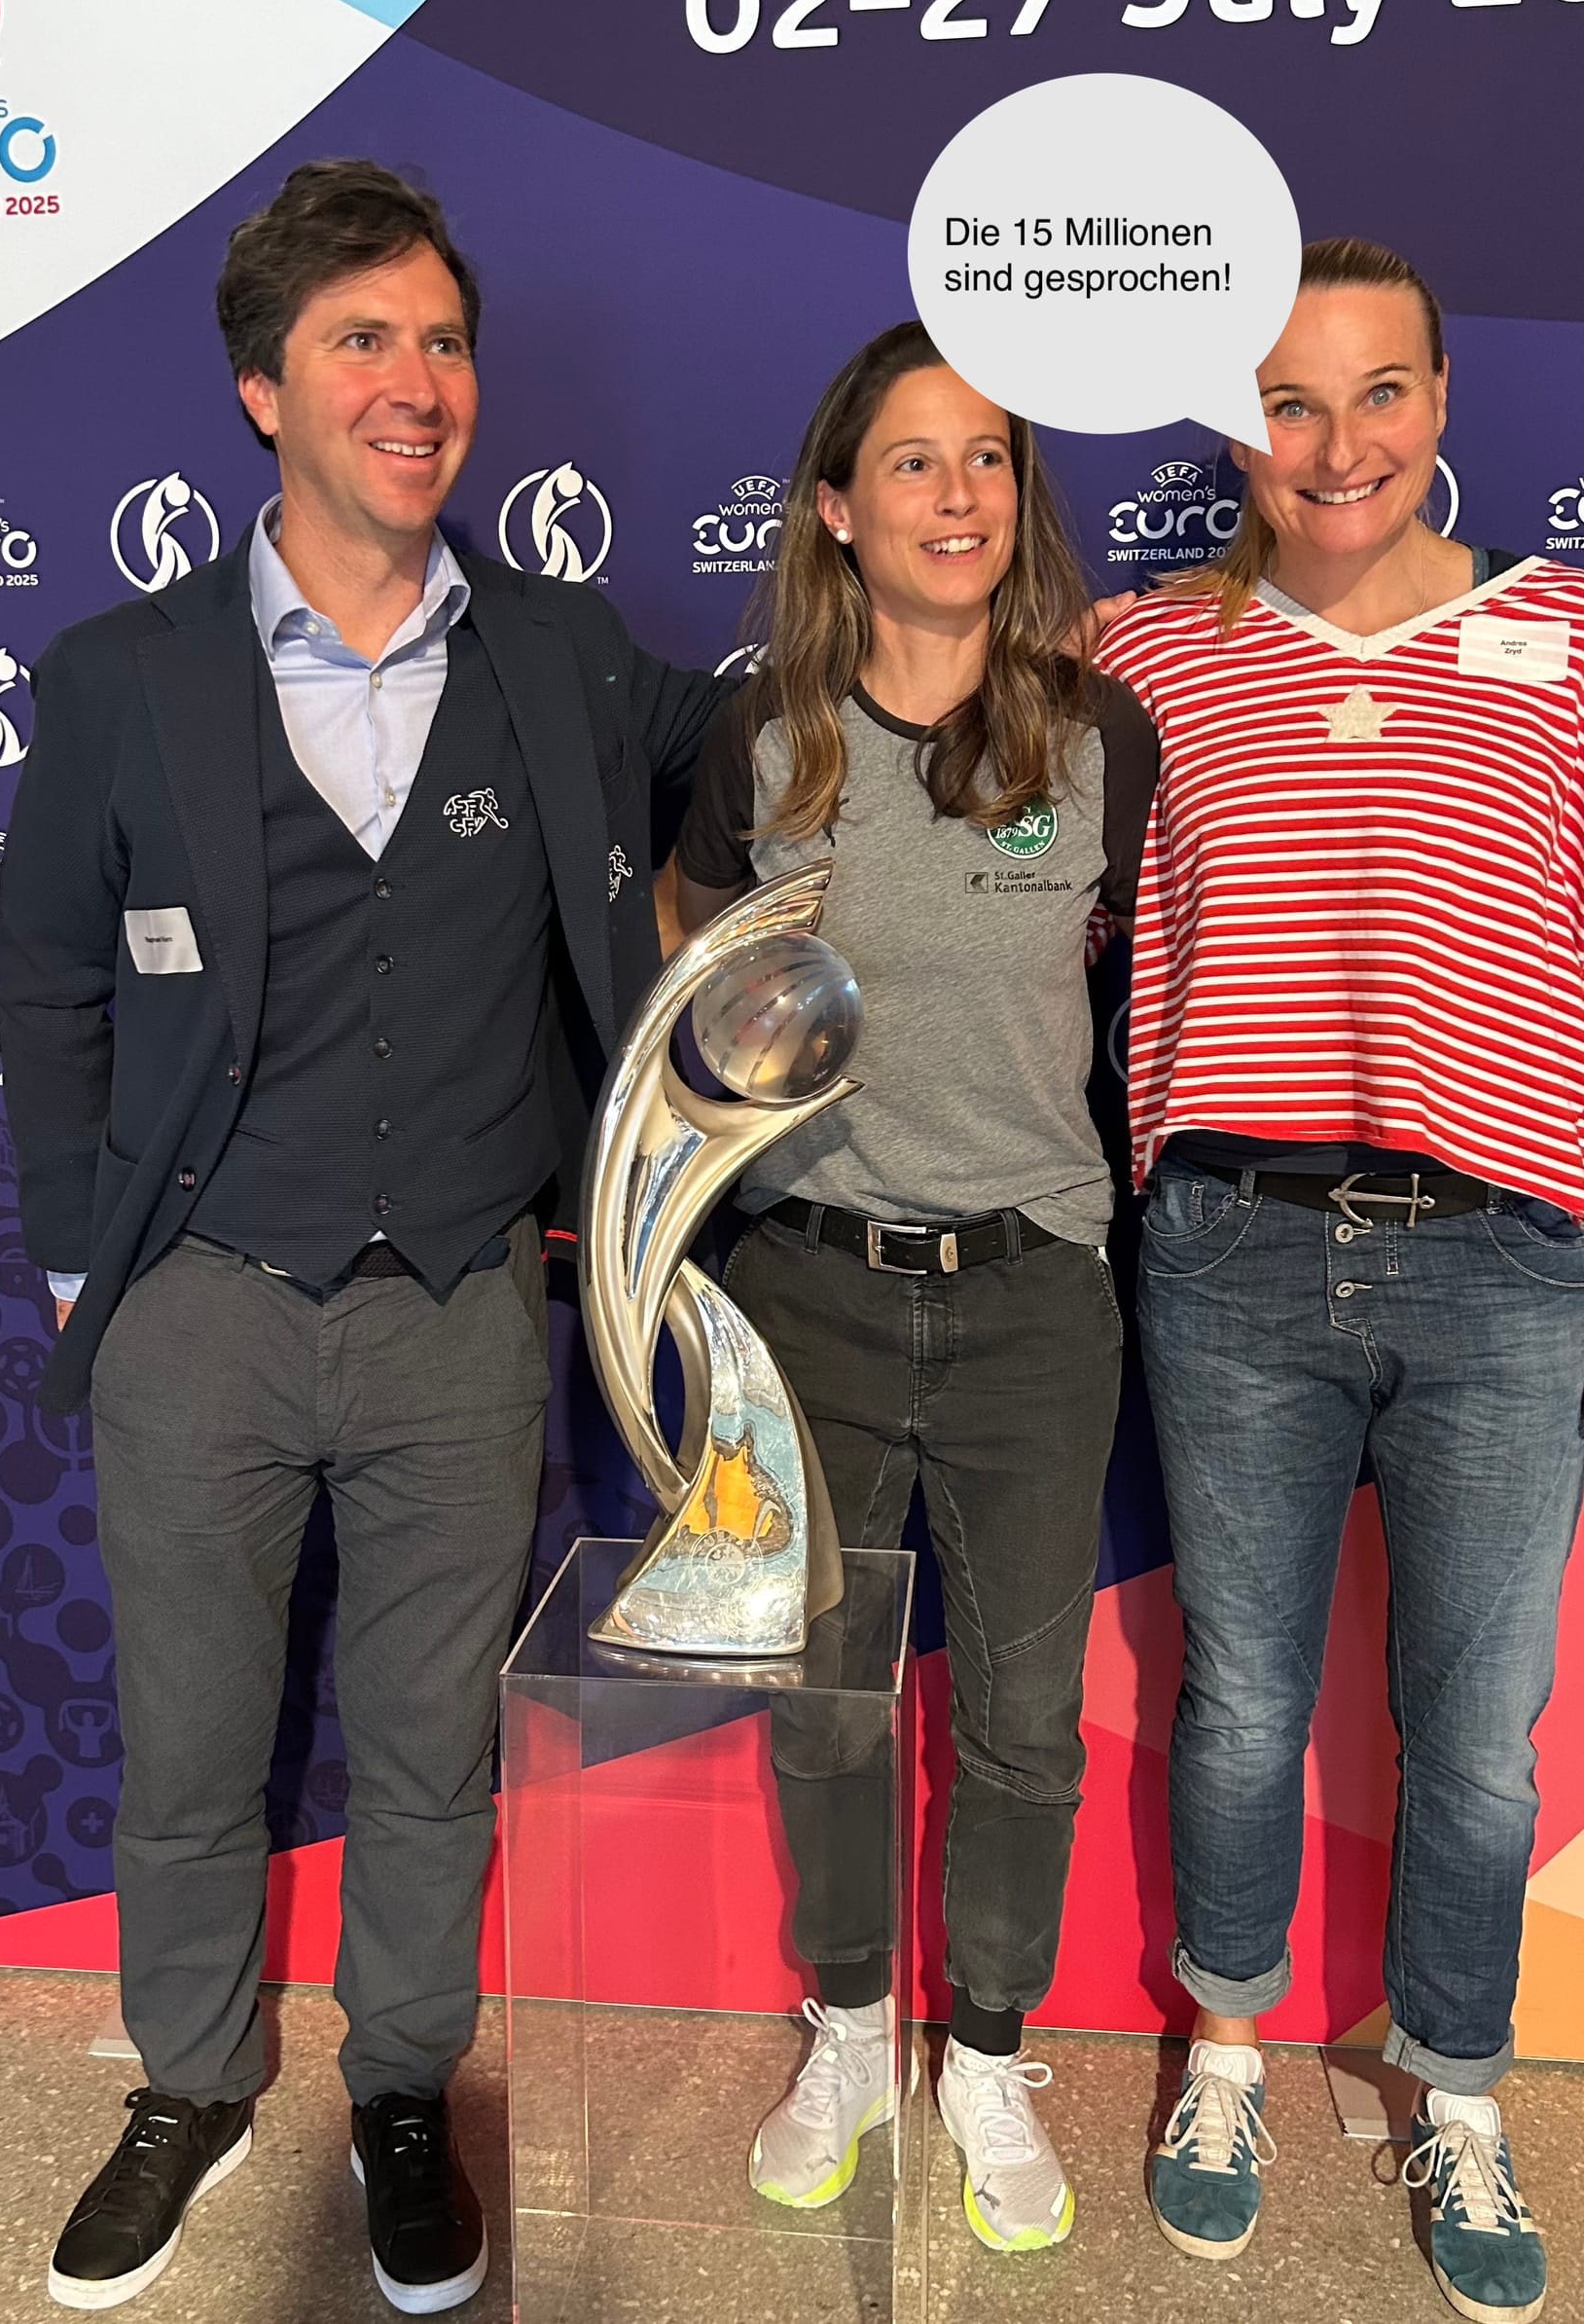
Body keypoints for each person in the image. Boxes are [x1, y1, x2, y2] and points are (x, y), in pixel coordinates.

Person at [0, 161, 721, 2314]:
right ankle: (192, 2080)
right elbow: (50, 977)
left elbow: (789, 738)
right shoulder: (118, 674)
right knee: (190, 1738)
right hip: (196, 1307)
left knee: (427, 1752)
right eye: (362, 341)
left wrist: (975, 607)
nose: (418, 383)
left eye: (443, 340)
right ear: (263, 389)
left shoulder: (565, 654)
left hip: (461, 1309)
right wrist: (82, 1267)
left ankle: (404, 2086)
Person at [1095, 237, 1584, 2323]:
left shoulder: (1572, 630)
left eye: (1377, 393)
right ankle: (1227, 2053)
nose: (1334, 444)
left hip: (1510, 1267)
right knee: (1244, 1698)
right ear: (1234, 427)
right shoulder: (1149, 654)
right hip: (1234, 1252)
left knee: (1481, 1729)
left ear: (1441, 402)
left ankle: (1456, 2084)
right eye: (1287, 400)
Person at [669, 320, 1158, 2253]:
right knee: (825, 1705)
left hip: (1035, 1296)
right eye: (912, 461)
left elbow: (1146, 985)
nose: (959, 495)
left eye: (988, 459)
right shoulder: (760, 741)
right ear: (834, 507)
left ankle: (989, 2053)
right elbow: (693, 967)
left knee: (1027, 1717)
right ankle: (853, 2031)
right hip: (810, 1295)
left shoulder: (1098, 735)